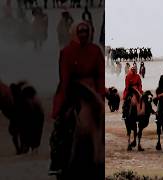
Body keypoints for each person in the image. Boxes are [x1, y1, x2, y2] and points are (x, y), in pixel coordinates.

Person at [48, 21, 105, 175]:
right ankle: (58, 161)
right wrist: (65, 97)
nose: (83, 34)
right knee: (63, 122)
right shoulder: (66, 52)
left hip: (93, 89)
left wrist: (100, 94)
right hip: (74, 90)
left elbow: (100, 74)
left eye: (86, 31)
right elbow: (65, 78)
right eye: (80, 31)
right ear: (74, 33)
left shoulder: (95, 51)